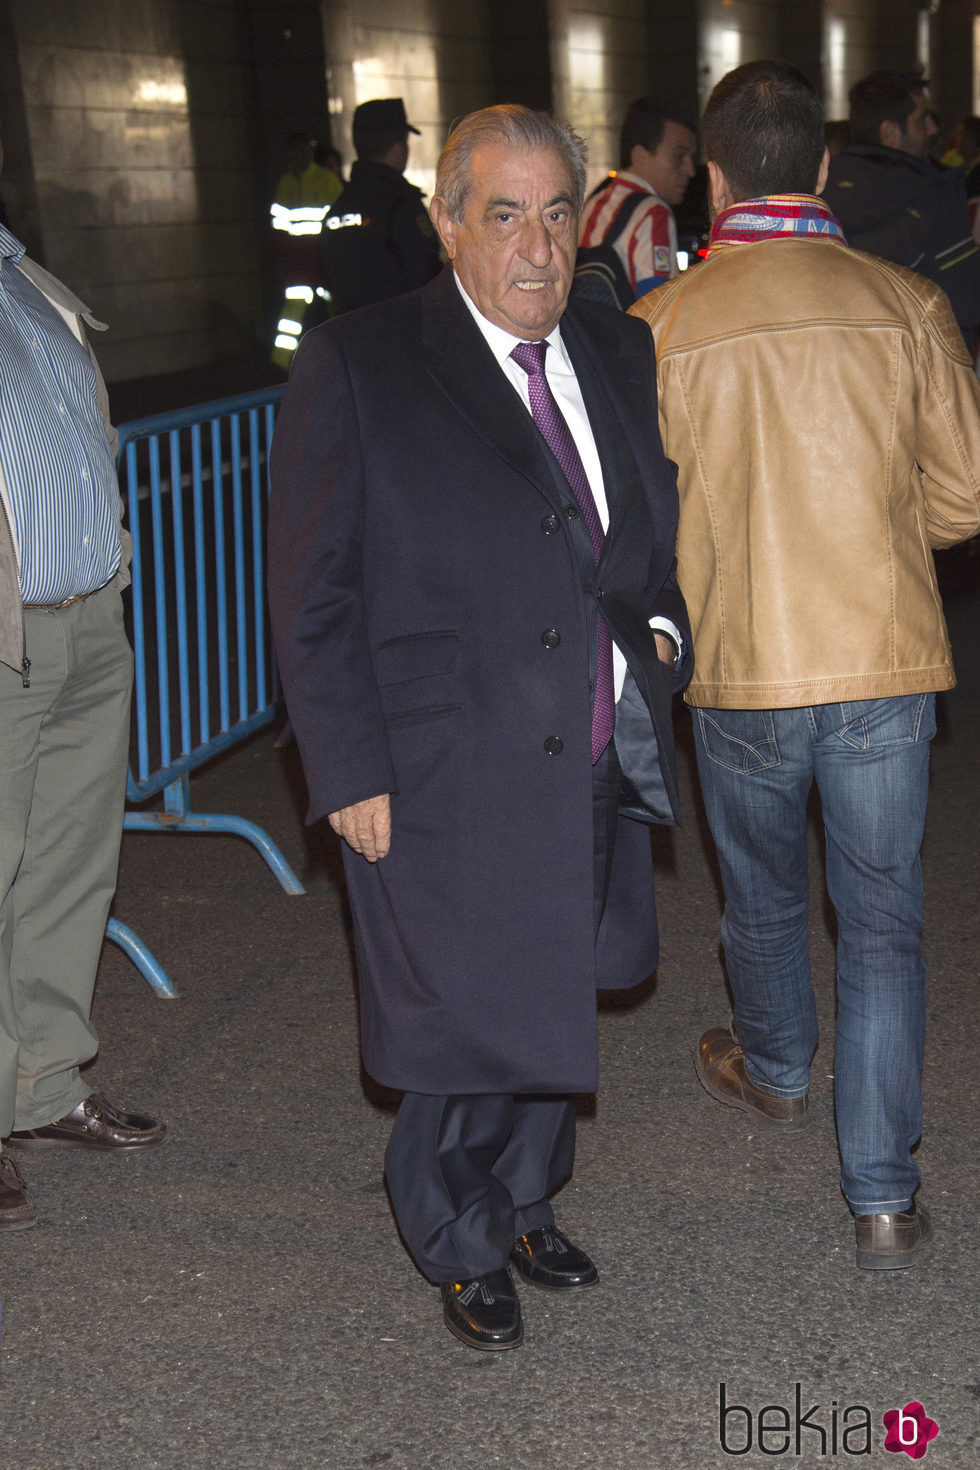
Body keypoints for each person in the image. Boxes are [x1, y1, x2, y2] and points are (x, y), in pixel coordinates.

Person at [269, 104, 690, 1349]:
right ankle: (453, 1233)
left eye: (557, 213)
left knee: (552, 986)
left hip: (589, 739)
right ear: (449, 223)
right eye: (503, 214)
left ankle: (518, 1200)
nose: (537, 246)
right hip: (437, 755)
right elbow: (312, 589)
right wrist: (343, 764)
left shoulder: (617, 353)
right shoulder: (363, 362)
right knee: (458, 1013)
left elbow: (644, 535)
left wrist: (659, 639)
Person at [631, 61, 980, 1271]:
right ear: (823, 169)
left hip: (738, 666)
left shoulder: (661, 324)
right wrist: (881, 532)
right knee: (882, 926)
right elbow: (964, 495)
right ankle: (881, 1198)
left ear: (712, 178)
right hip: (881, 656)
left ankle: (775, 1067)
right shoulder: (902, 306)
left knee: (765, 894)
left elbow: (633, 521)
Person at [0, 142, 167, 1234]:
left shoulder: (30, 283)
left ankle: (42, 1084)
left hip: (86, 621)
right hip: (8, 640)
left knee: (68, 867)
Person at [823, 71, 980, 342]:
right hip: (916, 370)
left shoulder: (819, 188)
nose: (932, 128)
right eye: (922, 119)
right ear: (890, 132)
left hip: (837, 369)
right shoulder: (934, 196)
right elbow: (968, 306)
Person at [318, 97, 441, 316]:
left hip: (349, 336)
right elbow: (426, 278)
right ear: (397, 149)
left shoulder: (338, 207)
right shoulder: (402, 205)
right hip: (401, 335)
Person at [578, 97, 697, 302]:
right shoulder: (653, 213)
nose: (690, 170)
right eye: (679, 156)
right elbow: (659, 306)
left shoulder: (593, 203)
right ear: (640, 156)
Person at [270, 131, 342, 369]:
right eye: (297, 150)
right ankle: (281, 364)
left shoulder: (326, 181)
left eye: (305, 150)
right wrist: (282, 260)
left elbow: (339, 222)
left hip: (323, 259)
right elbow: (279, 228)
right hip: (299, 262)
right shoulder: (286, 183)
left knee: (333, 310)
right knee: (293, 314)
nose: (301, 155)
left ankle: (337, 359)